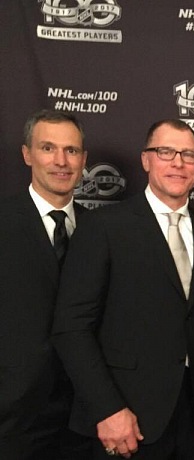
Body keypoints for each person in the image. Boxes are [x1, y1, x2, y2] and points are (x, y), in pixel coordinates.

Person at [51, 119, 194, 459]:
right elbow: (72, 328)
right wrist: (107, 409)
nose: (178, 163)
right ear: (145, 159)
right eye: (166, 151)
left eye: (188, 154)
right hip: (128, 419)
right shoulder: (104, 227)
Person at [0, 109, 90, 459]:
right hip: (12, 418)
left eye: (71, 150)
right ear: (27, 154)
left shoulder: (102, 230)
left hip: (84, 416)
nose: (61, 161)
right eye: (48, 148)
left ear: (84, 159)